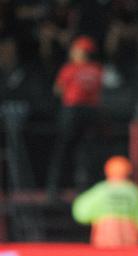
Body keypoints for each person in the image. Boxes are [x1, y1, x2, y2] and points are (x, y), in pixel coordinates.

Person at [47, 35, 103, 197]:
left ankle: (54, 188)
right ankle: (85, 188)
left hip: (72, 112)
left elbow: (58, 90)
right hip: (91, 112)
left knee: (63, 149)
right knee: (85, 150)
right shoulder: (97, 69)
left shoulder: (69, 69)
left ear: (81, 52)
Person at [72, 155, 138, 248]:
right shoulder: (134, 192)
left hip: (105, 240)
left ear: (107, 171)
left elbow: (80, 213)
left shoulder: (100, 191)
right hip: (129, 240)